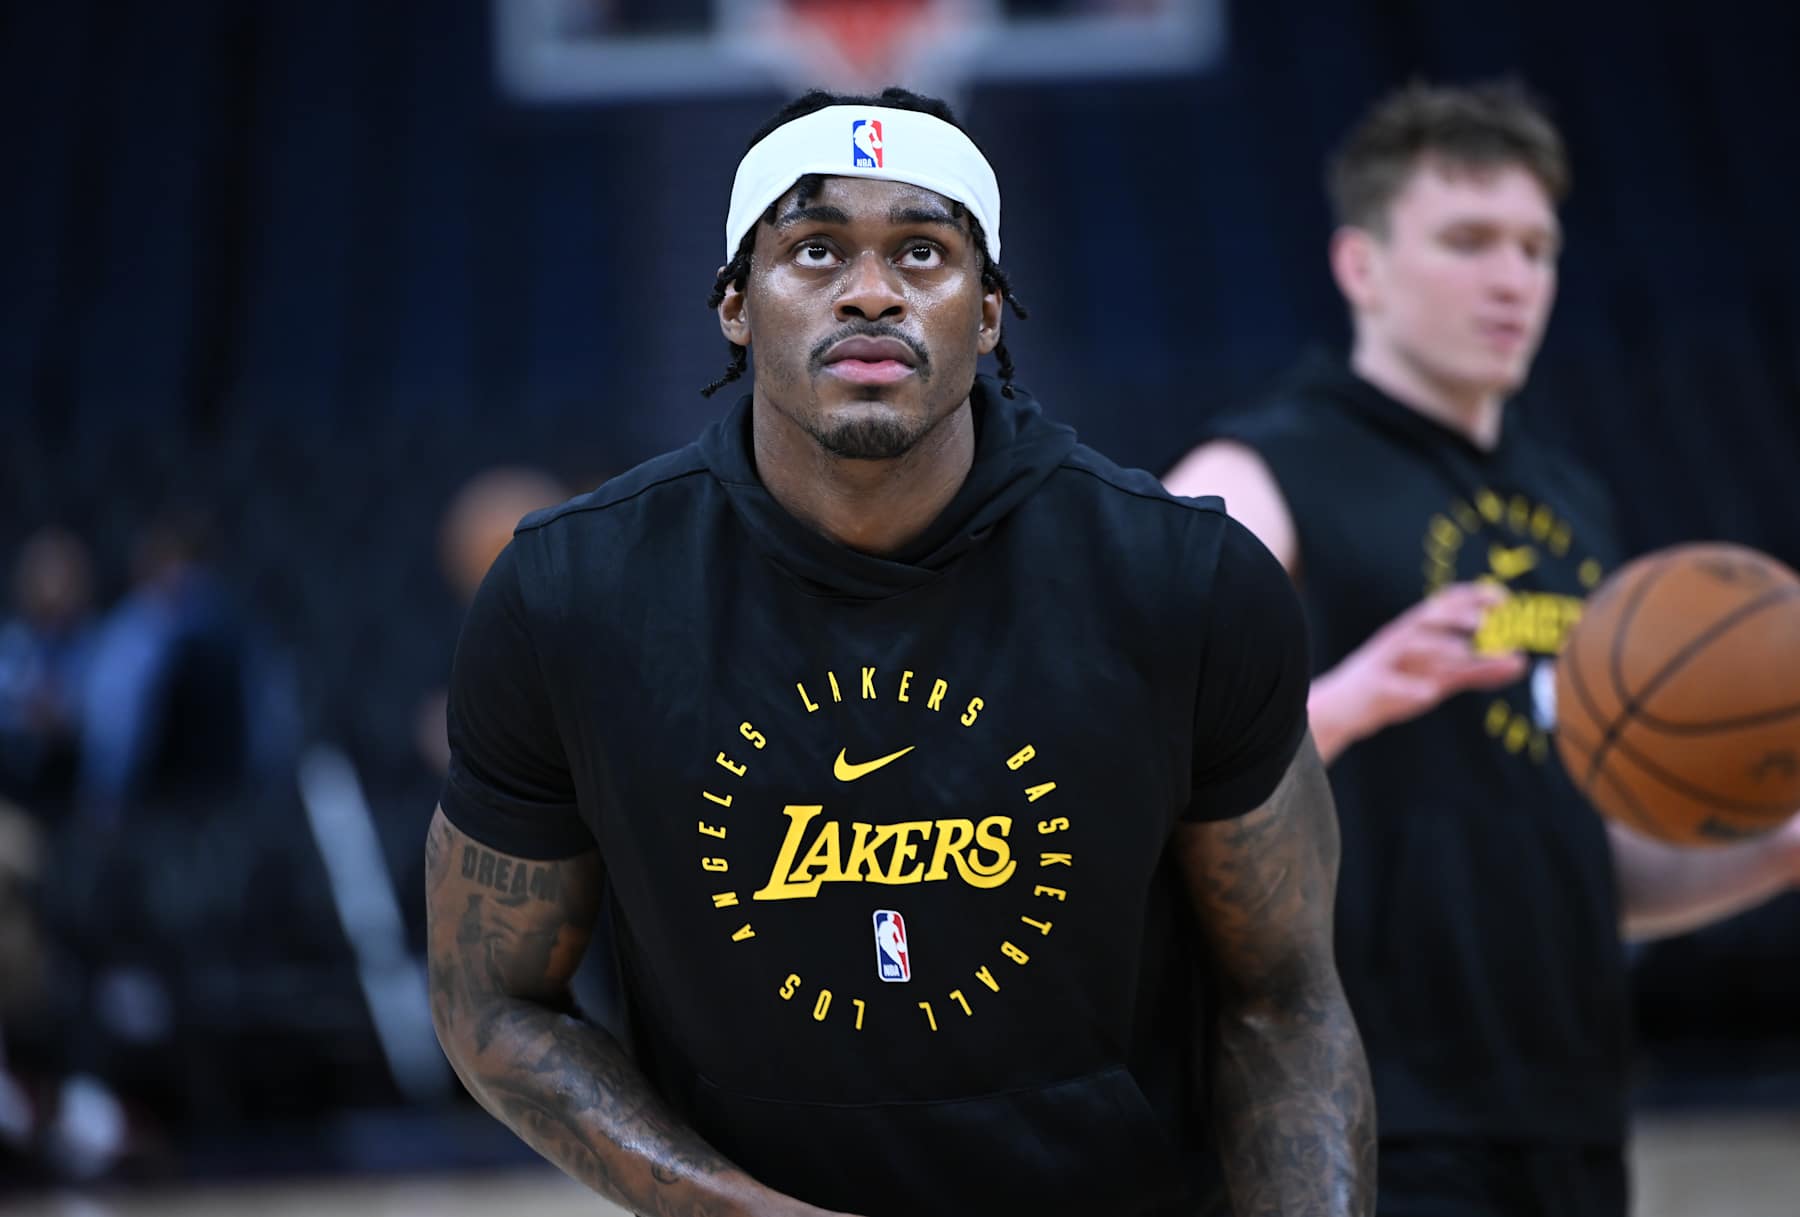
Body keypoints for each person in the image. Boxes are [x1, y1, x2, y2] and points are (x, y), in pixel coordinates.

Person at [426, 87, 1374, 1217]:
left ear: (986, 312)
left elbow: (1284, 998)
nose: (870, 290)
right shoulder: (572, 593)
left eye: (922, 250)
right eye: (815, 248)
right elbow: (489, 1001)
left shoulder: (1183, 579)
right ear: (735, 304)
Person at [1164, 80, 1800, 1217]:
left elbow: (1575, 863)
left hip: (1569, 1113)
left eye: (1536, 246)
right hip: (1348, 1119)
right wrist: (1350, 697)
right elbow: (1128, 766)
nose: (1513, 277)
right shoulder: (1252, 476)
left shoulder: (1573, 505)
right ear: (1361, 266)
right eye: (1468, 240)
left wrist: (1772, 848)